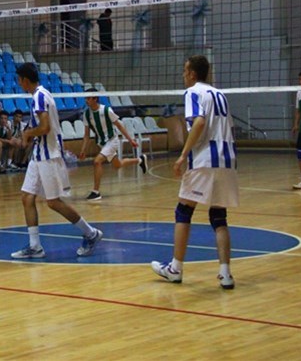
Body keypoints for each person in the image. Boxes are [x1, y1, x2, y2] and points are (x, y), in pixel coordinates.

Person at [150, 55, 237, 289]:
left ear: (191, 73)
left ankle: (175, 269)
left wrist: (183, 155)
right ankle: (225, 274)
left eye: (184, 70)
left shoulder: (193, 92)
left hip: (204, 159)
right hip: (227, 159)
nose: (183, 75)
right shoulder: (220, 95)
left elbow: (199, 122)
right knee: (219, 216)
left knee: (183, 210)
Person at [10, 63, 103, 259]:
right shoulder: (41, 94)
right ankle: (35, 246)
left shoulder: (39, 96)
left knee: (53, 202)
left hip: (48, 155)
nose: (18, 83)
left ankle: (91, 233)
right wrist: (26, 137)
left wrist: (27, 134)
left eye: (19, 80)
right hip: (38, 154)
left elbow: (45, 128)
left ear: (25, 80)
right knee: (27, 197)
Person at [78, 89, 147, 201]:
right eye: (85, 98)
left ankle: (96, 192)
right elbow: (86, 135)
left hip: (112, 140)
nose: (86, 100)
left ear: (95, 99)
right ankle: (140, 160)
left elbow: (119, 126)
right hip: (101, 143)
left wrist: (130, 140)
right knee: (117, 165)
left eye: (88, 98)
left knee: (97, 161)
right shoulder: (86, 114)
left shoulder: (106, 110)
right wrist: (83, 150)